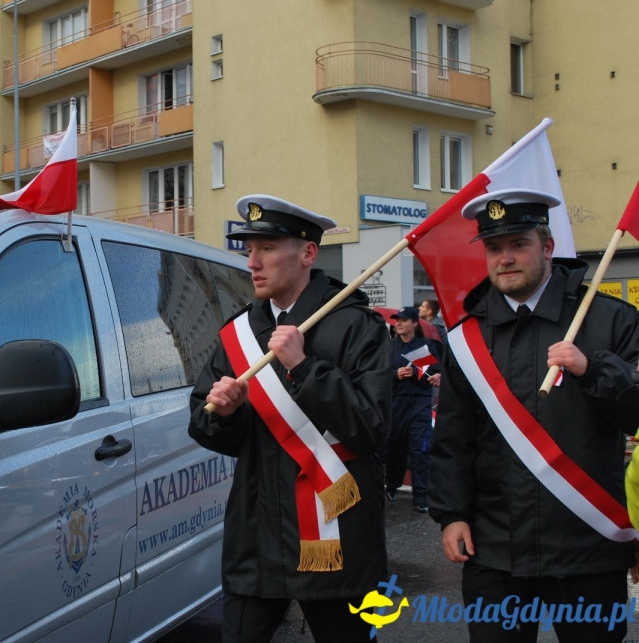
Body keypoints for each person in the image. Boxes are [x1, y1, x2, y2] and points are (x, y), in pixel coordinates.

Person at [429, 188, 639, 642]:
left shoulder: (609, 320)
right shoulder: (466, 336)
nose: (505, 258)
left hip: (588, 543)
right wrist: (451, 515)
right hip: (494, 549)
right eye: (493, 247)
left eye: (518, 244)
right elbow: (453, 436)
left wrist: (592, 369)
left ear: (546, 247)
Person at [188, 194, 393, 642]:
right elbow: (203, 424)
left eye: (266, 248)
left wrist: (305, 369)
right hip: (256, 539)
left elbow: (372, 428)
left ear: (307, 252)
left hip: (338, 539)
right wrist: (225, 414)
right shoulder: (238, 333)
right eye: (249, 248)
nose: (252, 262)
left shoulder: (357, 325)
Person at [380, 306, 441, 512]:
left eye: (404, 320)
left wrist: (416, 372)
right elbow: (379, 374)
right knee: (394, 448)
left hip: (419, 404)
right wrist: (396, 374)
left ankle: (421, 497)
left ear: (415, 323)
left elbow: (434, 374)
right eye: (397, 320)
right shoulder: (389, 347)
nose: (398, 323)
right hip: (396, 403)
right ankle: (392, 485)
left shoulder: (425, 345)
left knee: (420, 450)